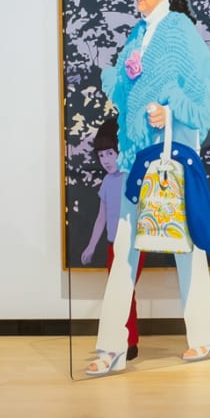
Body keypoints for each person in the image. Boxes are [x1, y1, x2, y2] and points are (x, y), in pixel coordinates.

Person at [86, 0, 210, 376]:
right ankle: (111, 346)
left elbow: (203, 97)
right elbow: (128, 93)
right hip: (135, 159)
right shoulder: (137, 34)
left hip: (167, 158)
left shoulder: (179, 30)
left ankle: (204, 335)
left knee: (184, 247)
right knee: (125, 246)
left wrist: (171, 110)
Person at [80, 118, 144, 360]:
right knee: (120, 293)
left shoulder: (132, 177)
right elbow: (101, 218)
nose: (106, 159)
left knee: (124, 292)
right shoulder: (107, 182)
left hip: (132, 246)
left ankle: (127, 341)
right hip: (111, 247)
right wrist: (90, 246)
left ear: (121, 152)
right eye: (101, 155)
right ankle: (125, 341)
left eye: (110, 153)